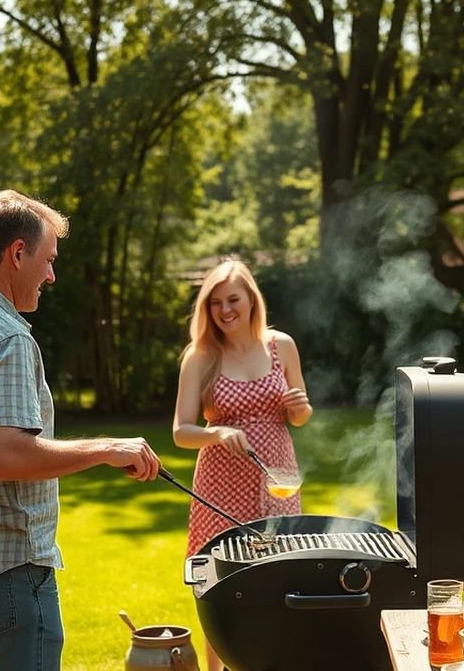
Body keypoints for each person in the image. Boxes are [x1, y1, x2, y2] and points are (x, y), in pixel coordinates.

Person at [0, 189, 161, 671]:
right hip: (7, 574)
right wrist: (106, 448)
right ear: (17, 253)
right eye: (47, 260)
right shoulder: (5, 336)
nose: (51, 275)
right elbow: (8, 456)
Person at [172, 258, 313, 671]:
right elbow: (181, 430)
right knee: (219, 581)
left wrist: (300, 406)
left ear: (252, 300)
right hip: (221, 477)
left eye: (233, 299)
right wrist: (215, 432)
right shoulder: (200, 356)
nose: (224, 310)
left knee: (280, 573)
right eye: (215, 302)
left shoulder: (281, 345)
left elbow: (299, 417)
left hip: (277, 474)